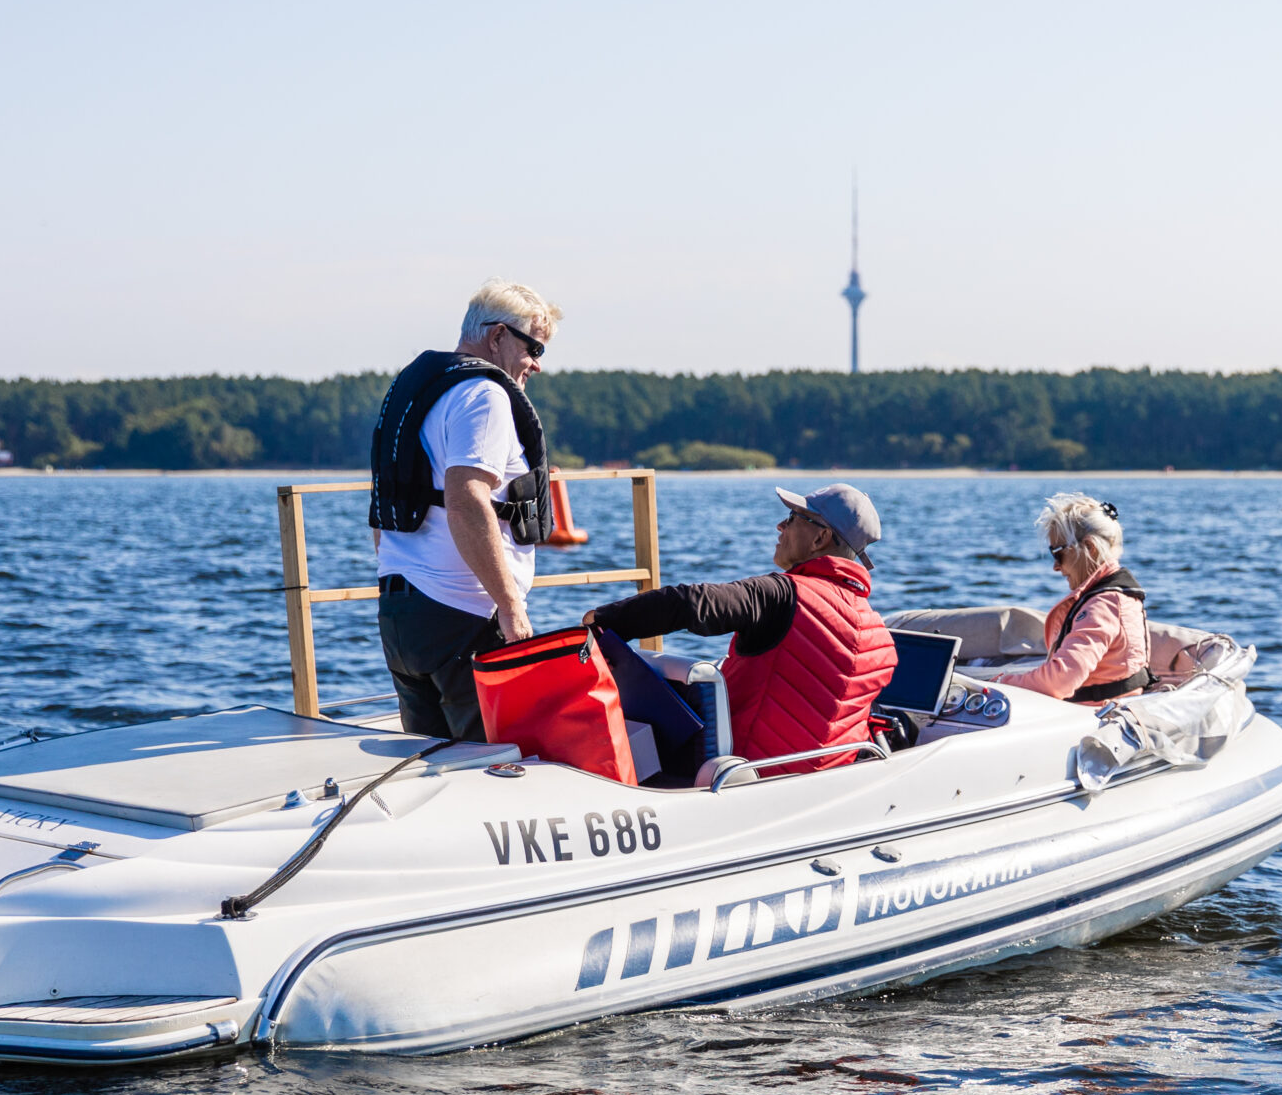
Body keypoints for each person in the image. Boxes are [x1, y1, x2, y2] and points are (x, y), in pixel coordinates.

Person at [583, 484, 898, 775]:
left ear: (821, 538)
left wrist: (602, 621)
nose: (781, 526)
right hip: (822, 789)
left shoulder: (783, 596)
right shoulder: (881, 638)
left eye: (793, 518)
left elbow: (690, 603)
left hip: (747, 781)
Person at [367, 279, 563, 742]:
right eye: (534, 347)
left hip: (402, 616)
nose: (537, 363)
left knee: (432, 760)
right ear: (497, 336)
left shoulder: (420, 390)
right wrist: (510, 608)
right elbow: (467, 498)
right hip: (464, 618)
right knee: (492, 763)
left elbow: (384, 503)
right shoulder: (484, 395)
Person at [999, 493, 1151, 703]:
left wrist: (1000, 683)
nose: (1055, 566)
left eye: (1057, 553)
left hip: (1090, 713)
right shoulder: (1116, 597)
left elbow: (1060, 681)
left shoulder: (1104, 605)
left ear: (1090, 548)